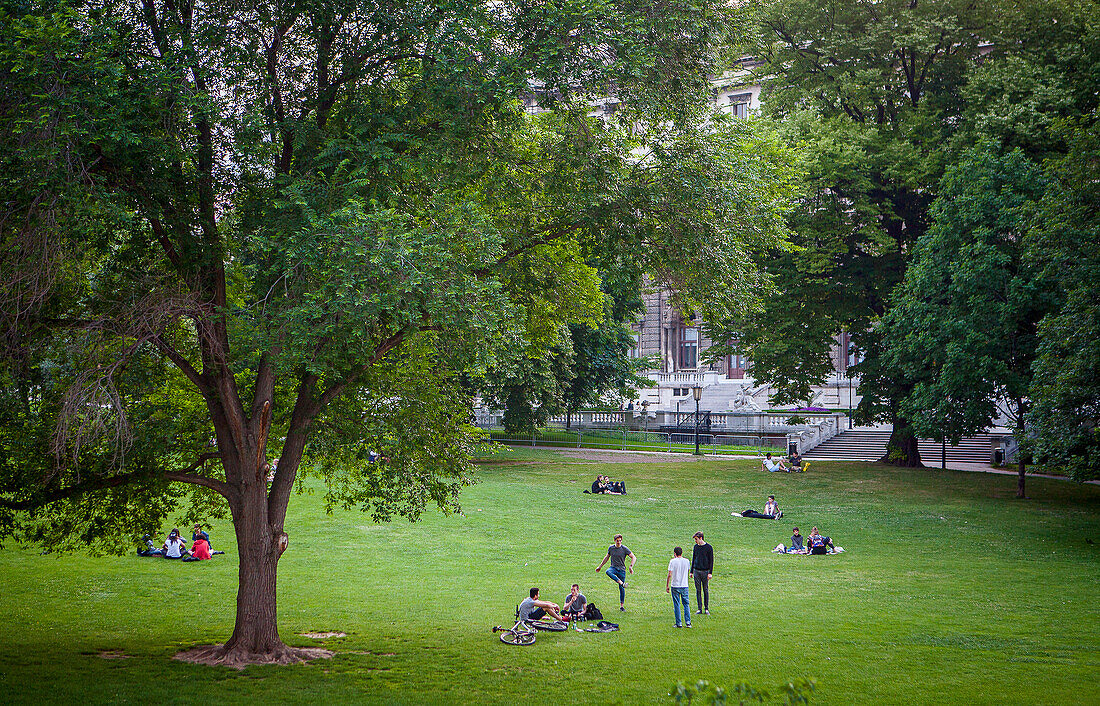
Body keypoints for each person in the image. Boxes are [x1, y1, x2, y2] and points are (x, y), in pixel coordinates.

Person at [596, 534, 636, 611]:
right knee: (608, 571)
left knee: (621, 588)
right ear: (615, 541)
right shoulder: (611, 548)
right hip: (613, 567)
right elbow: (606, 557)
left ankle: (621, 606)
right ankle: (621, 582)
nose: (618, 542)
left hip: (621, 570)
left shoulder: (624, 549)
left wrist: (631, 566)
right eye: (617, 541)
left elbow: (633, 557)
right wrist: (600, 566)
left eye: (620, 541)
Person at [666, 546, 692, 628]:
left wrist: (667, 585)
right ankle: (688, 622)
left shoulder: (672, 561)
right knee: (686, 604)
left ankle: (679, 623)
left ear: (675, 553)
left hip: (675, 585)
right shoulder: (687, 561)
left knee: (676, 604)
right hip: (684, 585)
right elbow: (687, 570)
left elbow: (670, 574)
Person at [690, 532, 713, 615]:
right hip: (697, 570)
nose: (695, 541)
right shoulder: (696, 547)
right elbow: (694, 558)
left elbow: (711, 561)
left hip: (705, 571)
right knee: (698, 590)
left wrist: (710, 573)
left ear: (701, 538)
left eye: (696, 539)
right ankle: (699, 608)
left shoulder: (708, 547)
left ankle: (706, 608)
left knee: (705, 589)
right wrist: (691, 571)